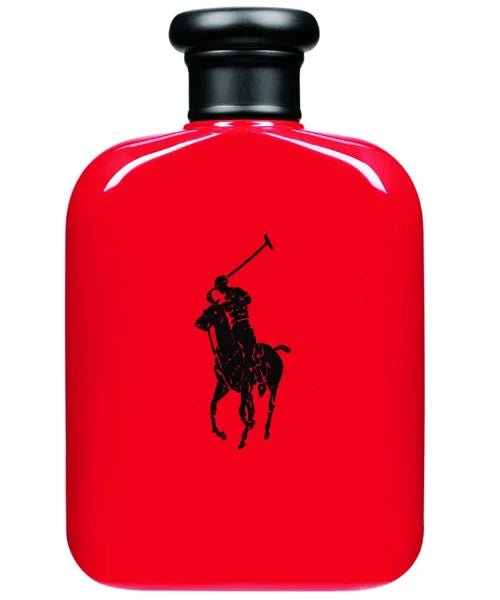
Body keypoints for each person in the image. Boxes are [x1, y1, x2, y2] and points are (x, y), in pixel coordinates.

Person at [207, 275, 266, 395]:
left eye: (220, 288)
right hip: (234, 328)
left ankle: (261, 380)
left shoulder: (236, 291)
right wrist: (210, 299)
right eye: (218, 289)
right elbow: (219, 308)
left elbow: (248, 299)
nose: (220, 290)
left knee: (249, 352)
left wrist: (235, 304)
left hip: (244, 325)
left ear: (224, 285)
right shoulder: (225, 299)